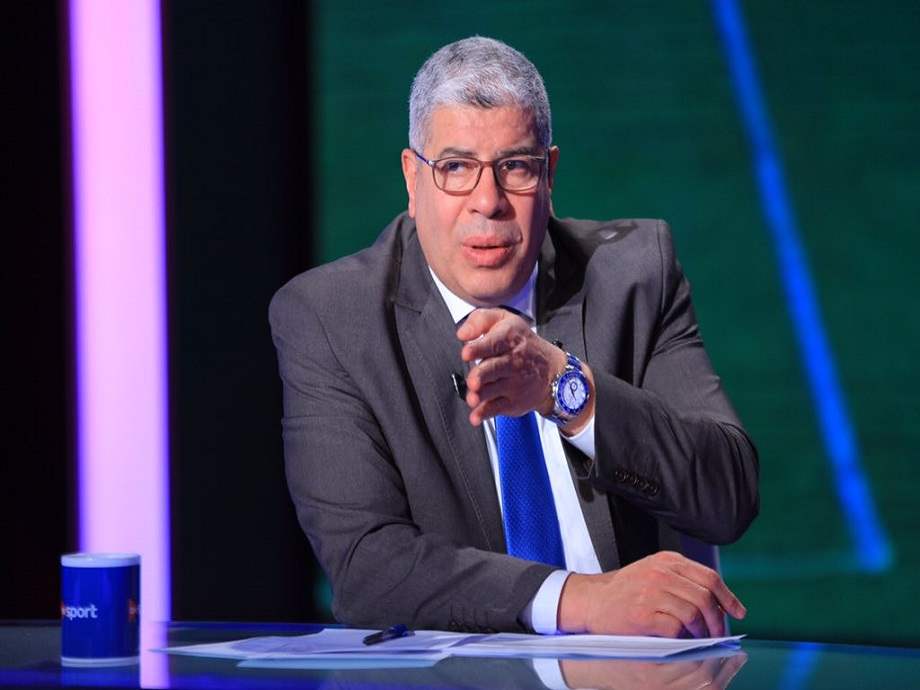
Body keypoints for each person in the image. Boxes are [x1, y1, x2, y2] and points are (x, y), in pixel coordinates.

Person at [269, 36, 758, 637]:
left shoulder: (633, 277)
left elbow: (727, 496)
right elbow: (367, 567)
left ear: (549, 175)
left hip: (635, 672)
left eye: (516, 167)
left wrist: (566, 388)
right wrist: (578, 599)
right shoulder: (331, 318)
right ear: (413, 180)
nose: (488, 202)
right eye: (455, 168)